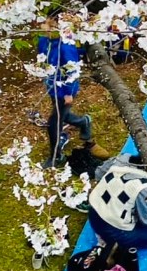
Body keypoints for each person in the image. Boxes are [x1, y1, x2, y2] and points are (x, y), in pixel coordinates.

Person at [37, 19, 107, 168]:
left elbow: (72, 70)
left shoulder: (66, 46)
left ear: (56, 27)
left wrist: (68, 93)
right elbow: (42, 59)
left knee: (53, 124)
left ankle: (56, 156)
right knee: (63, 115)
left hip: (65, 90)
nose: (41, 25)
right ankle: (83, 122)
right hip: (53, 87)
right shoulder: (44, 40)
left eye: (45, 23)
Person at [87, 143, 147, 249]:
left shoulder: (122, 159)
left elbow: (98, 173)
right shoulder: (143, 187)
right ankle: (112, 243)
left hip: (93, 211)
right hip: (113, 229)